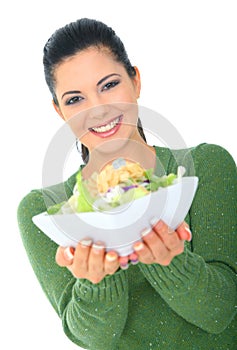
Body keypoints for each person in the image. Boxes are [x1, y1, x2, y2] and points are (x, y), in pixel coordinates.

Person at [17, 18, 237, 350]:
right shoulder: (46, 210)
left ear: (135, 81)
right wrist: (97, 283)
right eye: (75, 99)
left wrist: (171, 262)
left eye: (109, 85)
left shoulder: (205, 167)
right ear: (59, 110)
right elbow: (92, 340)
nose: (99, 110)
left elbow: (221, 313)